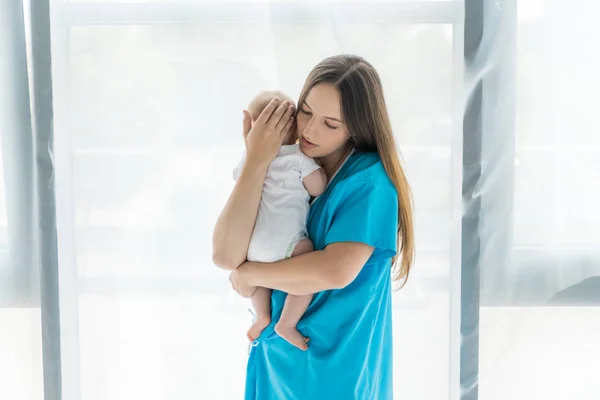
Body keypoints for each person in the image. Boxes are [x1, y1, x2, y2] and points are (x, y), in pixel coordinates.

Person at [212, 54, 415, 400]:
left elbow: (335, 270)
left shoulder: (369, 183)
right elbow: (225, 254)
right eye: (305, 111)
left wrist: (252, 275)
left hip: (334, 370)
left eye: (330, 124)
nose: (309, 130)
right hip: (276, 359)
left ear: (358, 127)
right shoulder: (286, 164)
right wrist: (256, 161)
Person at [234, 90, 327, 350]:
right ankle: (286, 322)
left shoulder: (249, 162)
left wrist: (251, 151)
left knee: (258, 280)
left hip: (254, 247)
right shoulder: (298, 158)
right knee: (307, 267)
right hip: (288, 244)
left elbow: (239, 183)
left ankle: (262, 314)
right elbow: (318, 188)